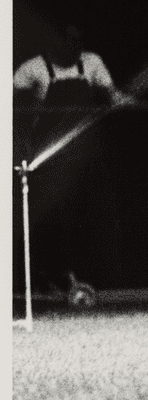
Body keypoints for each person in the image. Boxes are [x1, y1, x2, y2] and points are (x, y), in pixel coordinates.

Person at [13, 24, 130, 299]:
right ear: (54, 42)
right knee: (57, 222)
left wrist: (141, 103)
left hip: (88, 155)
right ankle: (55, 281)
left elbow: (113, 96)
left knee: (93, 217)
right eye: (68, 40)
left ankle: (92, 282)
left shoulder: (92, 62)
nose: (74, 47)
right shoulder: (31, 69)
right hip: (53, 159)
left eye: (78, 41)